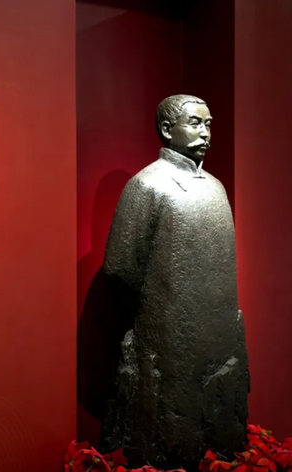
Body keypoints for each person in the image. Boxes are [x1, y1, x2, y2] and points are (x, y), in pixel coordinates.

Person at [100, 95, 250, 471]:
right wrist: (157, 309)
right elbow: (119, 267)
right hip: (166, 334)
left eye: (208, 124)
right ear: (167, 130)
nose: (205, 132)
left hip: (217, 333)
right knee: (167, 429)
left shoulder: (216, 187)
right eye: (195, 123)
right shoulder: (147, 185)